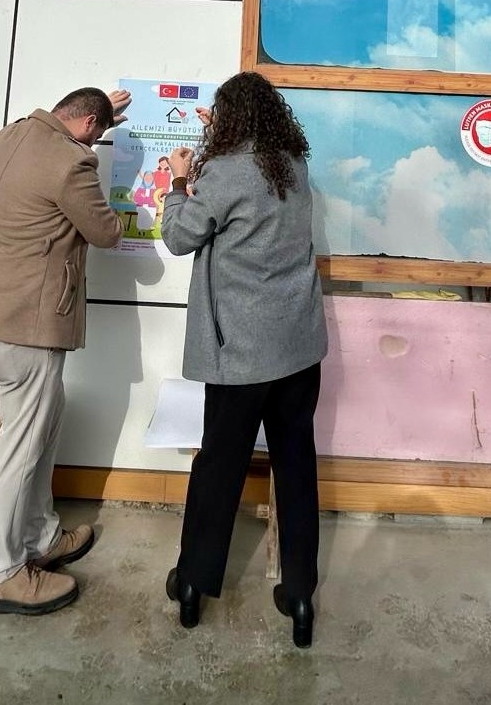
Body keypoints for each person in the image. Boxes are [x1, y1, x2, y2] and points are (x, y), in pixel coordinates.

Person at [160, 71, 328, 648]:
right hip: (298, 348)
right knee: (296, 465)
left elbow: (179, 237)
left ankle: (193, 583)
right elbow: (250, 180)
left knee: (220, 466)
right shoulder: (294, 166)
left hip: (241, 354)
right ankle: (299, 594)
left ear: (230, 120)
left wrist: (179, 181)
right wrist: (220, 140)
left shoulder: (222, 173)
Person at [0, 87, 129, 615]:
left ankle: (40, 536)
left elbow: (72, 127)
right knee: (20, 449)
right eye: (98, 134)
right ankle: (3, 574)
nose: (96, 143)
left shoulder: (8, 137)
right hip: (30, 324)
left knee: (43, 423)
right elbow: (105, 232)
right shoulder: (71, 164)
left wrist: (97, 113)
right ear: (88, 125)